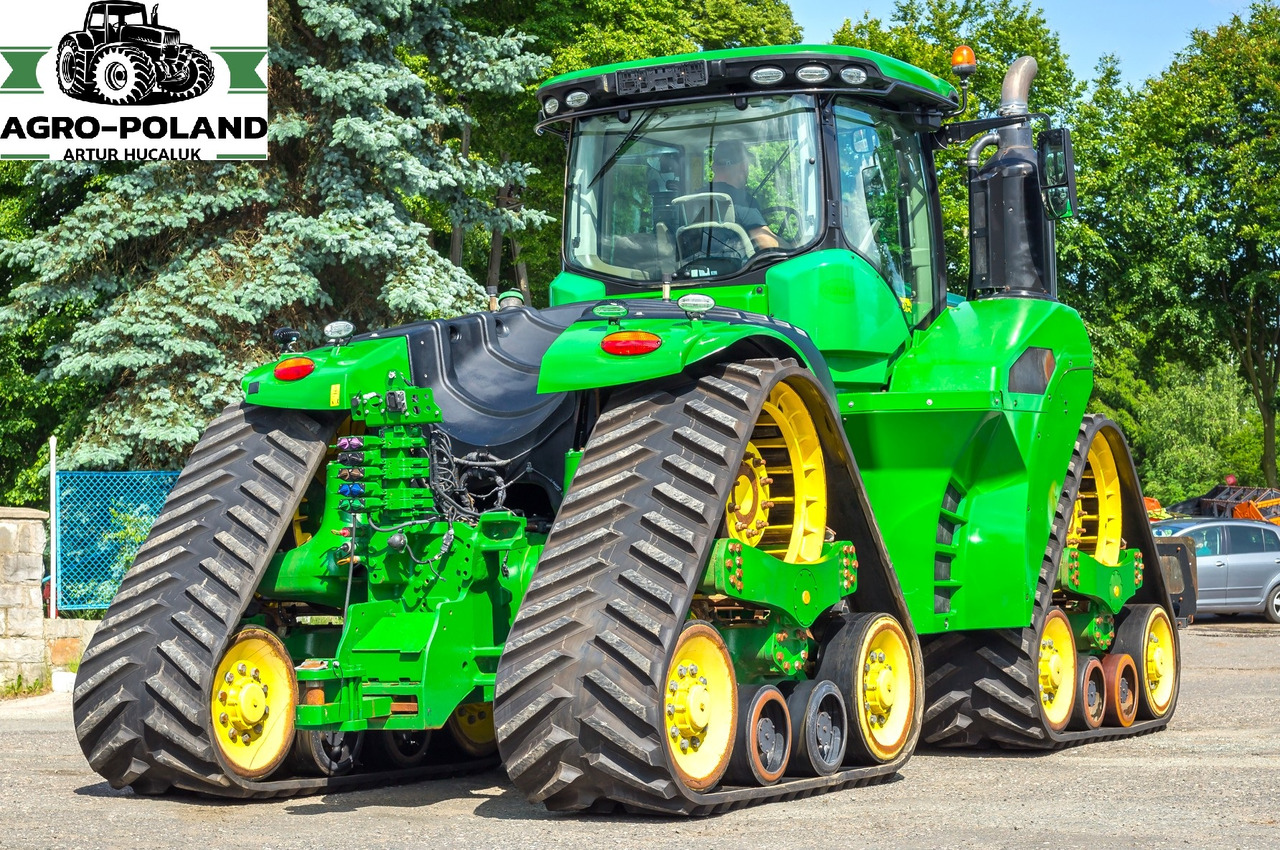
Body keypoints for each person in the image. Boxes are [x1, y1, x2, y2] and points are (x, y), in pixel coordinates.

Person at [709, 140, 780, 250]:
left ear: (713, 166)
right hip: (740, 267)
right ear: (743, 166)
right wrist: (795, 249)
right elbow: (768, 245)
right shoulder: (743, 201)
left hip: (695, 265)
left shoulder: (692, 198)